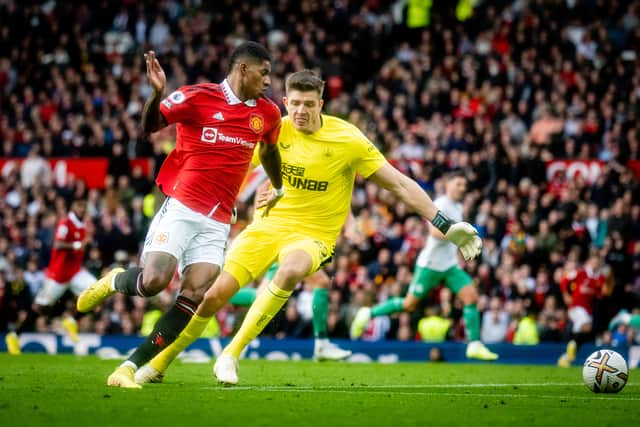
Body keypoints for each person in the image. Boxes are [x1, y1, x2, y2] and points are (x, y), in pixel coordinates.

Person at [136, 69, 482, 386]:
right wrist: (237, 199)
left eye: (308, 104)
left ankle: (231, 354)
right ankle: (160, 362)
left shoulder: (348, 140)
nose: (300, 111)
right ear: (285, 102)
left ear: (321, 103)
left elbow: (399, 184)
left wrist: (444, 223)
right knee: (212, 295)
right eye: (295, 104)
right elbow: (237, 166)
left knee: (291, 270)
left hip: (314, 235)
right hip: (267, 227)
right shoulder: (274, 128)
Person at [76, 41, 283, 388]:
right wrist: (156, 93)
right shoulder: (198, 97)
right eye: (264, 72)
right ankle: (115, 280)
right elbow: (150, 125)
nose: (268, 80)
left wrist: (278, 187)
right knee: (154, 282)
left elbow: (271, 150)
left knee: (194, 293)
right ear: (244, 69)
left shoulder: (268, 113)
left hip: (218, 221)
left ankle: (128, 368)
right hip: (183, 206)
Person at [350, 172, 498, 360]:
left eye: (464, 185)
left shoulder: (458, 206)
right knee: (408, 304)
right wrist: (460, 237)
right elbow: (435, 232)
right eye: (459, 183)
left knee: (471, 297)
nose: (463, 188)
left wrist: (461, 245)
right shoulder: (441, 204)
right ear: (448, 184)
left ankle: (474, 344)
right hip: (430, 265)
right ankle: (368, 312)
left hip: (449, 265)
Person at [5, 197, 93, 354]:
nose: (81, 209)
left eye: (83, 206)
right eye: (79, 205)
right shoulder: (65, 224)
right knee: (40, 308)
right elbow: (58, 244)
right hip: (57, 275)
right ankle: (13, 336)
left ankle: (71, 320)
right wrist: (77, 245)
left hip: (75, 272)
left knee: (97, 291)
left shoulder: (83, 226)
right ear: (72, 206)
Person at [557, 251, 614, 367]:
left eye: (597, 263)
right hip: (576, 307)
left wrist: (609, 280)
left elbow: (604, 293)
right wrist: (566, 295)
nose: (595, 265)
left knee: (582, 332)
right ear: (589, 261)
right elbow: (564, 280)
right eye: (594, 262)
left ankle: (566, 357)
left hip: (588, 310)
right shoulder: (580, 273)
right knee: (586, 327)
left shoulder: (600, 278)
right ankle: (571, 345)